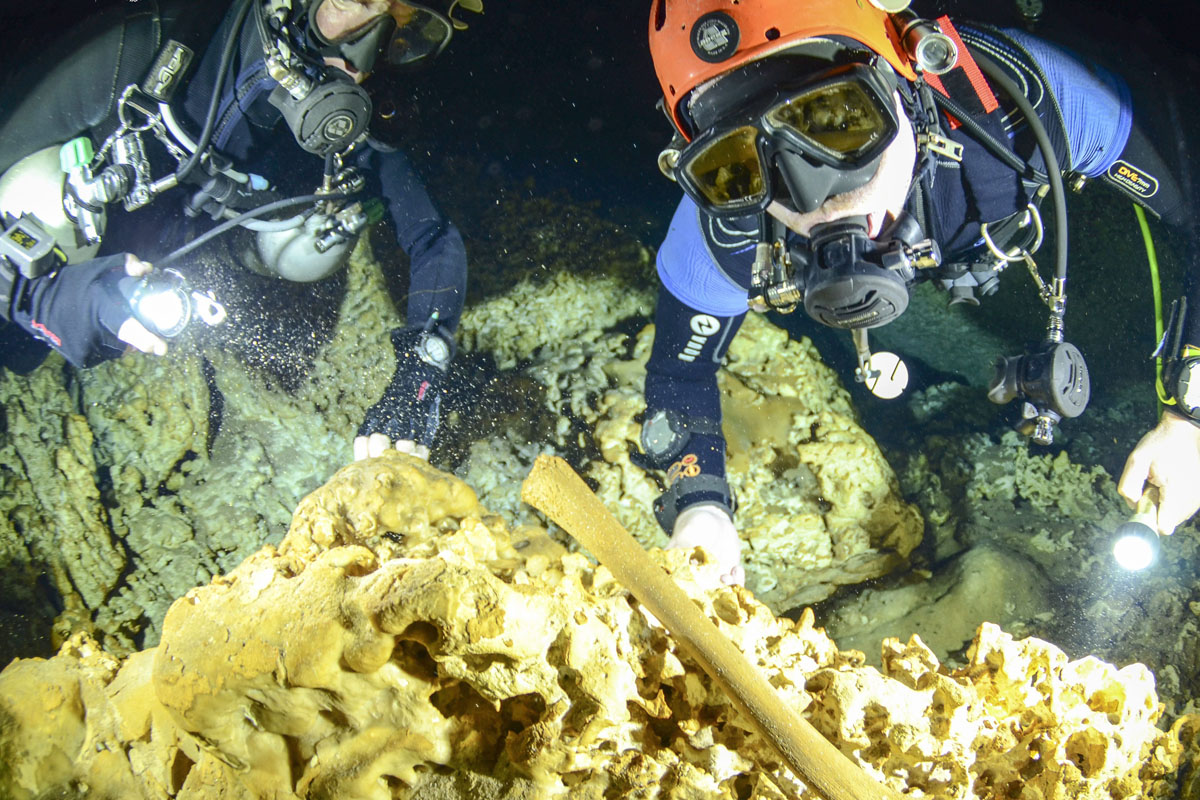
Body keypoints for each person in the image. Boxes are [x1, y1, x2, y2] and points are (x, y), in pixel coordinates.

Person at [637, 0, 1200, 585]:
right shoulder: (728, 220)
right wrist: (700, 506)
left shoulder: (1023, 106)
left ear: (900, 71)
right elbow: (680, 376)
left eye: (836, 119)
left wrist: (1188, 417)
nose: (813, 198)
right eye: (743, 161)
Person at [0, 0, 480, 461]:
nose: (367, 54)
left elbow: (433, 239)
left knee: (320, 245)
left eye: (405, 27)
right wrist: (38, 297)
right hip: (78, 238)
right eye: (355, 2)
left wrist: (421, 377)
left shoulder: (354, 126)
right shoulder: (142, 45)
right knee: (20, 342)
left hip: (200, 245)